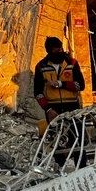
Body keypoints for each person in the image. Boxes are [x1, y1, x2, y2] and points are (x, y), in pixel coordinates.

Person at [34, 36, 86, 167]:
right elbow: (38, 93)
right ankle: (61, 168)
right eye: (57, 52)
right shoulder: (41, 66)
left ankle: (81, 167)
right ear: (49, 52)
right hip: (53, 108)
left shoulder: (72, 63)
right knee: (55, 140)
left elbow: (81, 85)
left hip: (72, 107)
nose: (60, 53)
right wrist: (48, 109)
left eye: (61, 49)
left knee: (78, 138)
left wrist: (62, 84)